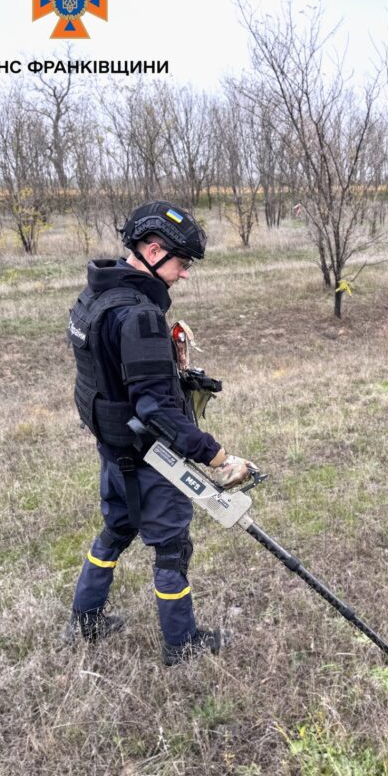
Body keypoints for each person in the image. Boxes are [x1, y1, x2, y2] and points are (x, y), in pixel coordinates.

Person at [64, 201, 251, 665]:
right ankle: (181, 644)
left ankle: (83, 621)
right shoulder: (141, 316)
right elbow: (156, 410)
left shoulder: (92, 299)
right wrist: (217, 457)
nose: (184, 274)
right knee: (171, 549)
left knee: (115, 531)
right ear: (151, 250)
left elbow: (107, 380)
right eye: (181, 263)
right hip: (150, 458)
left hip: (113, 450)